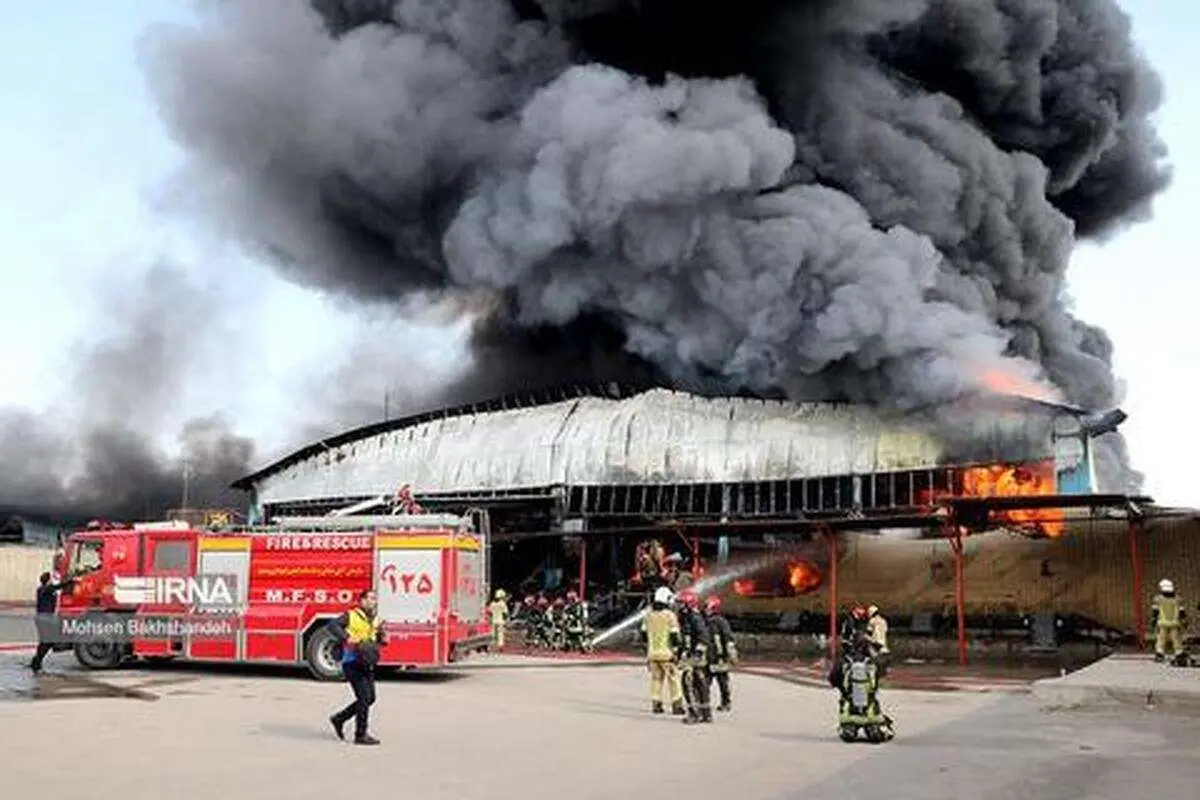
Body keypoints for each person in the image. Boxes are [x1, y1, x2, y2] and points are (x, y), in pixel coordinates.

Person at [327, 589, 386, 745]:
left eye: (375, 599)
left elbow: (376, 637)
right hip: (352, 662)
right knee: (364, 697)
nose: (373, 602)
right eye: (370, 598)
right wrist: (347, 637)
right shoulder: (351, 615)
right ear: (362, 601)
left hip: (366, 661)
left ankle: (339, 718)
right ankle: (360, 735)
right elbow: (332, 625)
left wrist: (382, 637)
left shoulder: (375, 619)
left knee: (370, 698)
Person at [639, 586, 685, 715]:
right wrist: (677, 652)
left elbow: (643, 634)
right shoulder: (670, 616)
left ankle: (656, 704)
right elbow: (675, 637)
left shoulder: (648, 615)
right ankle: (677, 706)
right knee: (674, 679)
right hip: (667, 654)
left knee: (656, 680)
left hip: (652, 654)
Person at [675, 589, 714, 724]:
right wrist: (679, 653)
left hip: (694, 655)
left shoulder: (694, 617)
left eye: (682, 603)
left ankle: (694, 713)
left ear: (689, 604)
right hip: (692, 654)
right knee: (700, 683)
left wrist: (697, 652)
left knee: (688, 683)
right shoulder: (687, 617)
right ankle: (706, 713)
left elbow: (703, 636)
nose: (679, 606)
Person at [29, 571, 73, 674]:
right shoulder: (44, 589)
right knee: (46, 642)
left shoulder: (46, 589)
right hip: (44, 619)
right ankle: (36, 664)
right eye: (50, 579)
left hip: (46, 618)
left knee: (45, 642)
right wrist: (69, 582)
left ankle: (36, 663)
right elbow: (57, 587)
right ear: (48, 580)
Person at [703, 595, 737, 711]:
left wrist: (731, 653)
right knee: (706, 682)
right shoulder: (706, 621)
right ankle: (705, 703)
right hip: (710, 656)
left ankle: (725, 703)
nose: (706, 610)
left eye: (708, 607)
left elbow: (728, 638)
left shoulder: (720, 622)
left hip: (719, 656)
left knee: (722, 681)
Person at [1151, 578, 1186, 663]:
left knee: (1161, 639)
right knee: (1176, 639)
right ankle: (1179, 653)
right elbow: (1182, 612)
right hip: (1174, 623)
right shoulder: (1178, 599)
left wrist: (1154, 620)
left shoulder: (1158, 599)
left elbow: (1155, 611)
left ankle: (1160, 653)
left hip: (1162, 623)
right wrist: (1184, 621)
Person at [866, 604, 890, 677]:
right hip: (883, 640)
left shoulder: (872, 621)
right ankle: (883, 669)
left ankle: (873, 668)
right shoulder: (883, 620)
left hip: (874, 641)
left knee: (872, 653)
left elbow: (868, 632)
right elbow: (886, 630)